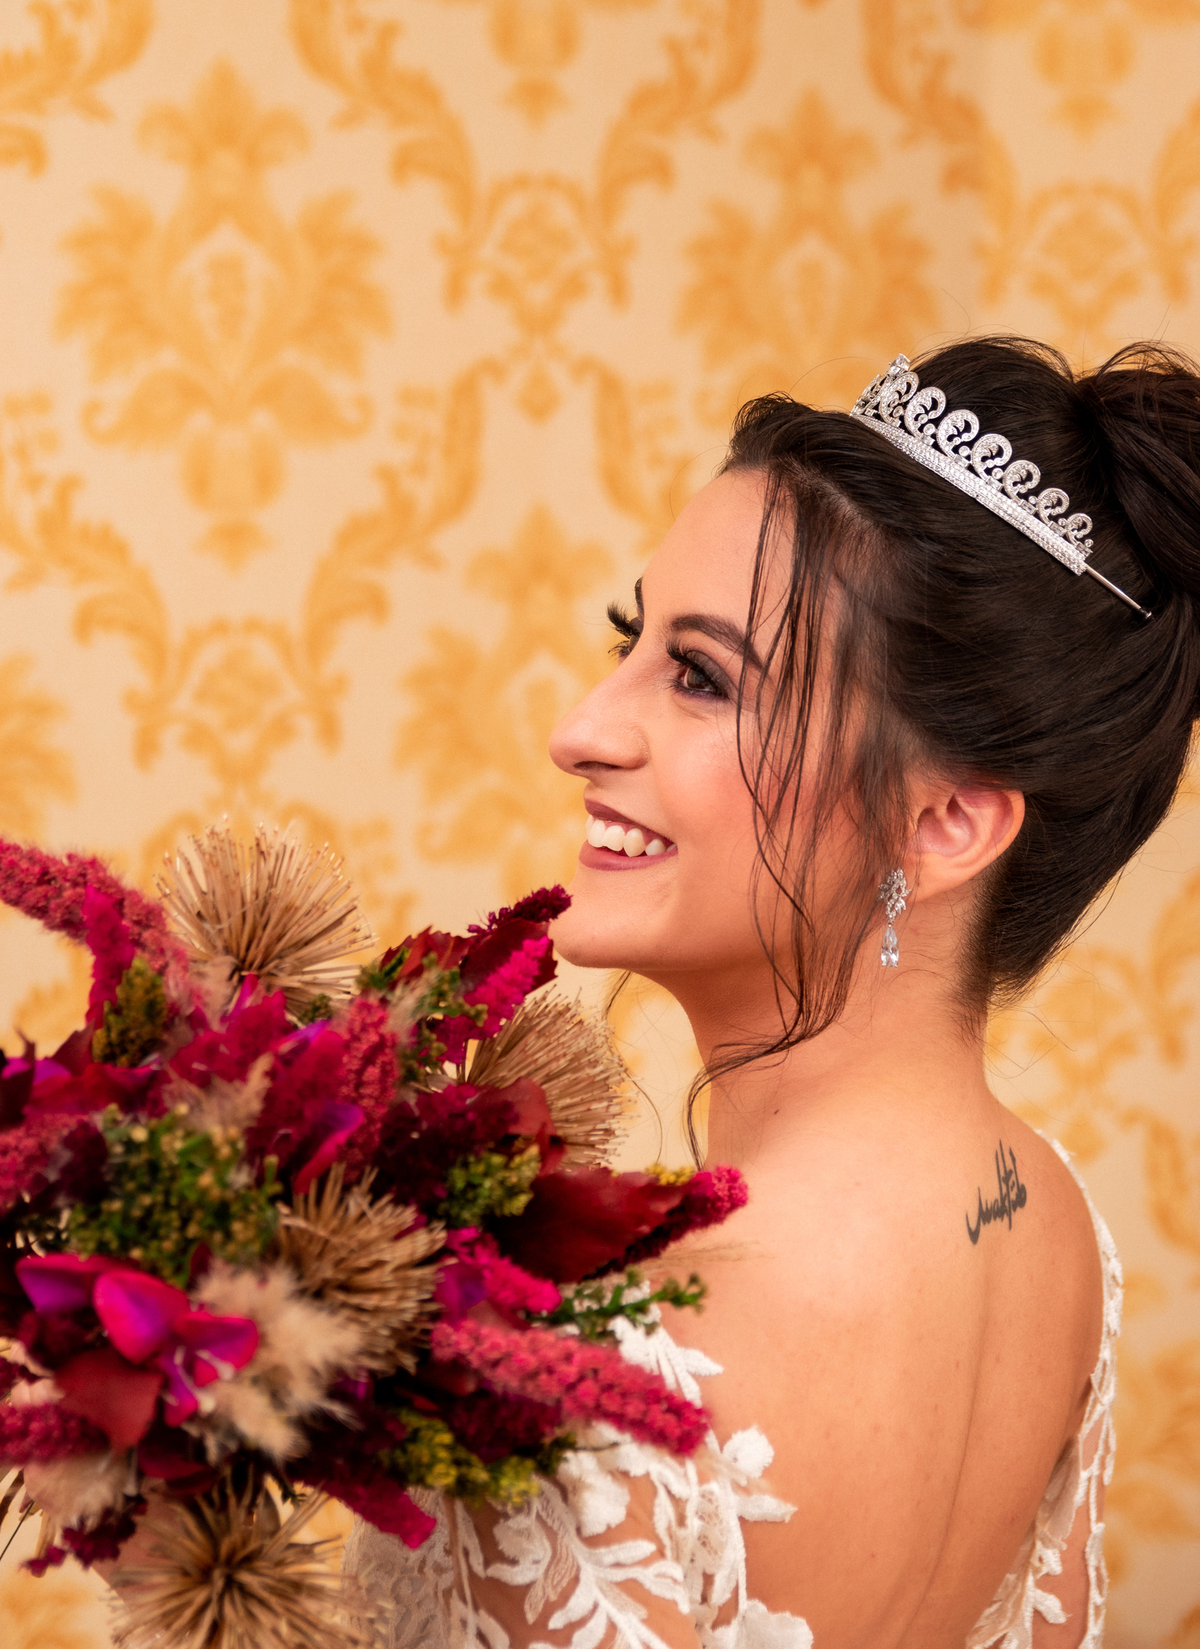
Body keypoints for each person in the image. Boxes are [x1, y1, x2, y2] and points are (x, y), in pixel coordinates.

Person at [345, 337, 1200, 1648]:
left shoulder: (601, 1370)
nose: (581, 729)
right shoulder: (1054, 1230)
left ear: (948, 823)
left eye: (700, 677)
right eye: (631, 641)